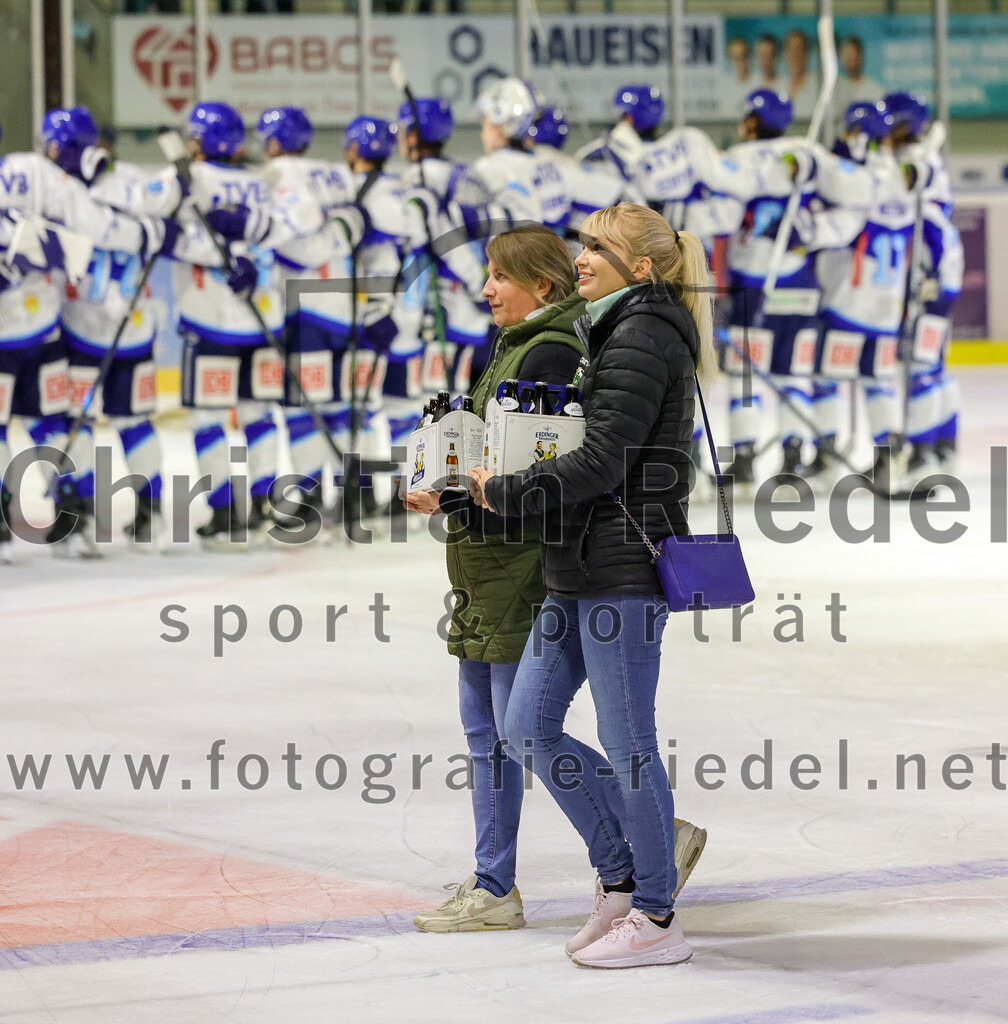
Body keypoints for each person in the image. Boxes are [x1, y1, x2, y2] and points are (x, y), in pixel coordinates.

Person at [469, 203, 714, 968]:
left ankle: (657, 914)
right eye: (581, 242)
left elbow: (605, 459)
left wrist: (509, 491)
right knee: (526, 726)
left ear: (639, 268)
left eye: (597, 247)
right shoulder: (606, 329)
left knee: (628, 741)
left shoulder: (643, 334)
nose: (580, 256)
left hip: (622, 568)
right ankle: (619, 876)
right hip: (575, 564)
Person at [404, 225, 588, 932]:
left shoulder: (549, 350)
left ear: (541, 284)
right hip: (485, 562)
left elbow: (529, 474)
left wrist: (455, 496)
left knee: (520, 734)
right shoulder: (518, 342)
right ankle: (493, 882)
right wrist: (444, 485)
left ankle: (650, 833)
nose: (486, 289)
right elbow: (495, 460)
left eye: (500, 276)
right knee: (488, 733)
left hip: (517, 566)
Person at [832, 35, 883, 133]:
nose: (848, 59)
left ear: (860, 56)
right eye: (845, 54)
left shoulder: (875, 91)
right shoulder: (834, 90)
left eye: (851, 54)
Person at [784, 29, 819, 121]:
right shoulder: (779, 87)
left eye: (798, 50)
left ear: (806, 54)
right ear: (786, 54)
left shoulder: (817, 85)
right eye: (791, 50)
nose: (795, 56)